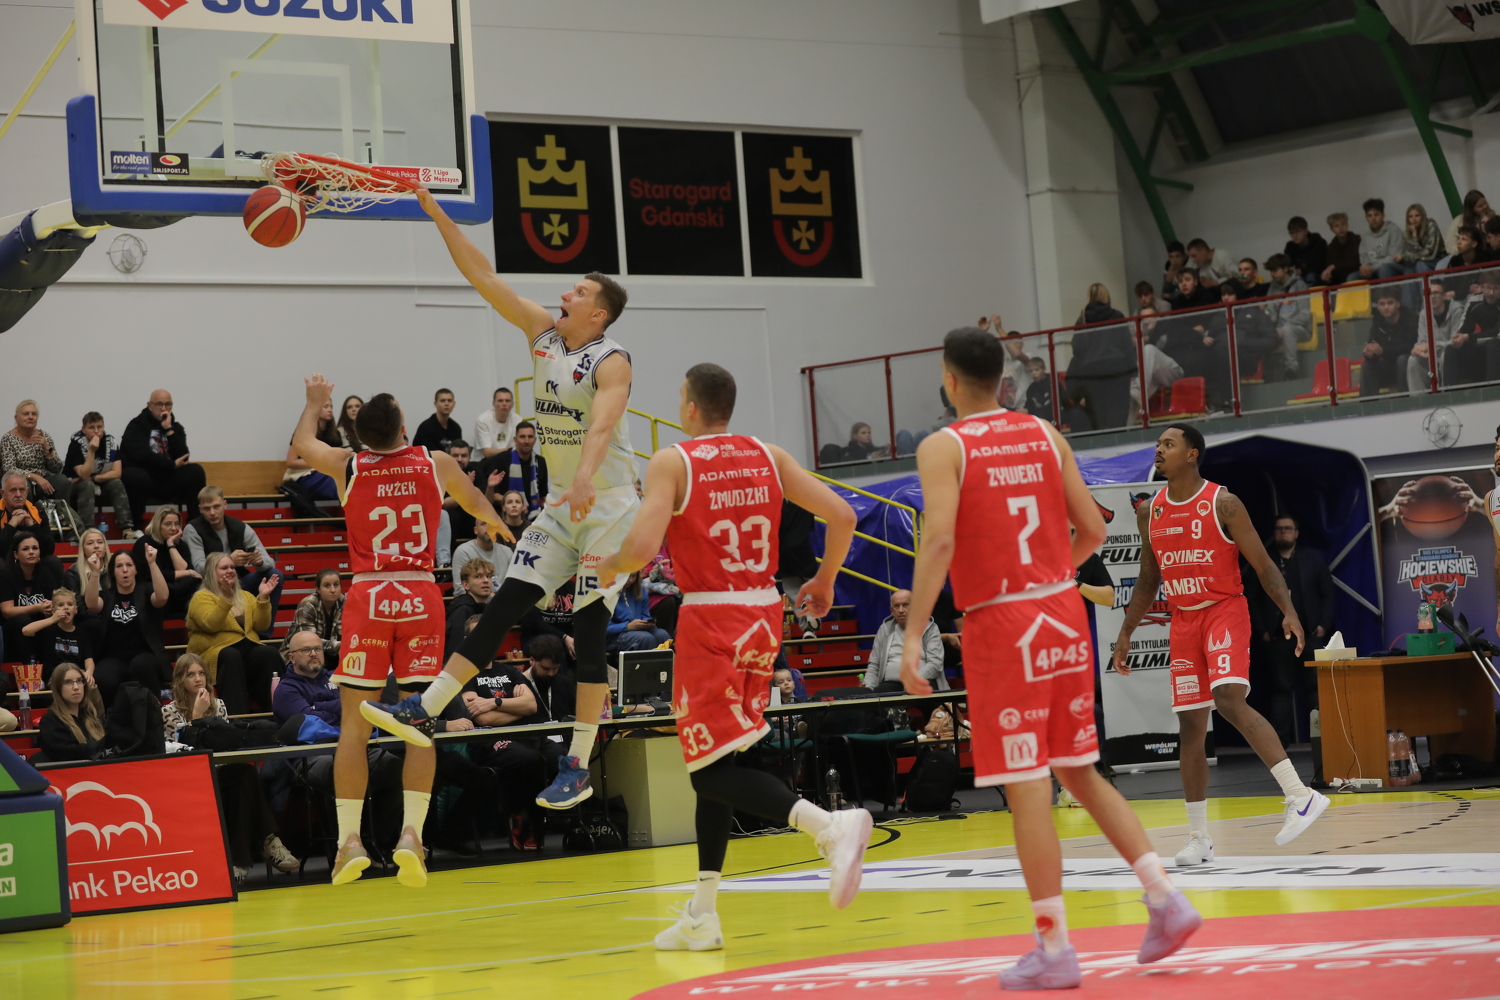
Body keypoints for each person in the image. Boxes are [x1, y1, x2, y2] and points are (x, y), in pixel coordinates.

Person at [902, 328, 1199, 988]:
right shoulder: (1044, 434)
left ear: (949, 379)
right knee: (1079, 771)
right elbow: (1093, 528)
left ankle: (1055, 946)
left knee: (1028, 783)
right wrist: (1047, 577)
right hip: (1061, 610)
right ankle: (1164, 897)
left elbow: (940, 540)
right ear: (1002, 380)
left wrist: (916, 633)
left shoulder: (943, 446)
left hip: (1002, 623)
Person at [365, 185, 641, 819]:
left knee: (588, 629)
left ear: (599, 313)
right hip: (563, 505)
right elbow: (482, 275)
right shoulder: (542, 334)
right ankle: (426, 708)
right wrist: (436, 213)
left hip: (608, 505)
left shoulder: (612, 359)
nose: (566, 293)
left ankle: (578, 763)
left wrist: (583, 478)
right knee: (504, 604)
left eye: (578, 291)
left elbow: (602, 424)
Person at [592, 362, 867, 950]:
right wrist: (823, 581)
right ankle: (703, 913)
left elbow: (642, 547)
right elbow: (844, 515)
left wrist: (608, 565)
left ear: (689, 407)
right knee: (717, 763)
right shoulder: (770, 455)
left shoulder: (673, 460)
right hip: (764, 615)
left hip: (712, 619)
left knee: (708, 769)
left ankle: (829, 826)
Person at [288, 374, 505, 888]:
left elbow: (302, 444)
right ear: (404, 425)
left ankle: (349, 841)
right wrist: (499, 523)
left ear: (360, 435)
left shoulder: (350, 464)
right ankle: (412, 835)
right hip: (420, 595)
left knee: (354, 726)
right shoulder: (435, 462)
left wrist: (315, 403)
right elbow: (475, 500)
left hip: (369, 595)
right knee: (418, 721)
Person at [1112, 424, 1328, 868]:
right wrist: (1127, 631)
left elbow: (1264, 565)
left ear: (1192, 454)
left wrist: (1288, 611)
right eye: (1158, 444)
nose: (1159, 450)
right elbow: (1149, 578)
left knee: (1228, 698)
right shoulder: (1149, 511)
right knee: (1191, 725)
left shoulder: (1223, 503)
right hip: (1183, 621)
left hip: (1223, 609)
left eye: (1168, 444)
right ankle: (1199, 837)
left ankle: (1299, 794)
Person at [272, 628, 408, 861]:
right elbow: (307, 725)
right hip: (311, 756)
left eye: (317, 648)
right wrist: (341, 709)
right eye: (306, 650)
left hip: (355, 747)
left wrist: (319, 709)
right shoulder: (286, 689)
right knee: (343, 772)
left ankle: (376, 841)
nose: (314, 654)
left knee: (396, 768)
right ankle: (347, 848)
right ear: (292, 656)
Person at [162, 653, 301, 879]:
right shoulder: (168, 712)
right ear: (180, 680)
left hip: (220, 772)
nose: (198, 679)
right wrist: (196, 716)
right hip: (190, 779)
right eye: (190, 675)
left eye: (201, 673)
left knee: (244, 776)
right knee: (243, 778)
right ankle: (268, 842)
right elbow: (183, 755)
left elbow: (225, 745)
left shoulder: (218, 705)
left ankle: (242, 861)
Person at [1251, 515, 1333, 747]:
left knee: (1316, 688)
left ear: (1296, 533)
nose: (1283, 532)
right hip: (1278, 637)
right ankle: (1280, 744)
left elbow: (1327, 593)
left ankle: (1323, 739)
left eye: (1287, 528)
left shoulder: (1312, 559)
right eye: (1279, 529)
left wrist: (1323, 625)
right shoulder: (1264, 561)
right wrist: (1263, 630)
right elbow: (1253, 598)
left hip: (1310, 634)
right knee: (1281, 689)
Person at [186, 552, 282, 715]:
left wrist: (263, 598)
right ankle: (238, 718)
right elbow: (211, 625)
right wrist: (226, 599)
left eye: (232, 567)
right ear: (212, 573)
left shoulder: (245, 596)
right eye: (224, 568)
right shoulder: (201, 597)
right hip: (214, 653)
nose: (230, 571)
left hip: (245, 650)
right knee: (231, 656)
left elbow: (261, 625)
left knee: (268, 653)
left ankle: (277, 712)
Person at [185, 486, 282, 638]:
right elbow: (199, 567)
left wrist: (259, 561)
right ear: (200, 509)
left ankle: (264, 635)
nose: (212, 512)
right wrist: (230, 561)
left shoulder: (240, 527)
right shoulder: (192, 529)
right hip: (208, 587)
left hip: (238, 583)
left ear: (225, 504)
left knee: (275, 575)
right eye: (207, 508)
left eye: (216, 506)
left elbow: (270, 562)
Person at [85, 548, 169, 707]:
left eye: (129, 565)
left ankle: (153, 712)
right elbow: (91, 604)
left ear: (136, 569)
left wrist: (152, 563)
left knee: (141, 666)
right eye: (119, 566)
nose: (124, 570)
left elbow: (163, 597)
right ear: (113, 571)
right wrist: (95, 572)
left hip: (145, 654)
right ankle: (112, 717)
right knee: (104, 677)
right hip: (113, 656)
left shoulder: (146, 592)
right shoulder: (108, 596)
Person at [119, 390, 207, 530]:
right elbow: (142, 456)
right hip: (144, 479)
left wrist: (169, 430)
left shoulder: (175, 428)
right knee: (135, 476)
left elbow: (183, 457)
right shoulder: (136, 426)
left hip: (166, 479)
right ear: (150, 405)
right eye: (159, 404)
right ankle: (135, 527)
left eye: (168, 404)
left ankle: (195, 526)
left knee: (195, 471)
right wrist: (171, 465)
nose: (164, 408)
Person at [1065, 284, 1135, 432]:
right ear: (1107, 296)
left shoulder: (1082, 319)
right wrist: (1132, 370)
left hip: (1092, 374)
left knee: (1098, 420)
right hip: (1118, 370)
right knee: (1118, 418)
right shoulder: (1117, 316)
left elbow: (1077, 349)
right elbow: (1127, 345)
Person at [65, 411, 136, 539]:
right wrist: (92, 450)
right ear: (83, 429)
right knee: (87, 485)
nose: (96, 431)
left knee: (116, 483)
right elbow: (84, 475)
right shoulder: (76, 444)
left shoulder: (111, 442)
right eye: (91, 428)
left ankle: (127, 528)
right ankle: (88, 531)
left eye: (99, 427)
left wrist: (95, 478)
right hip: (76, 485)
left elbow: (117, 473)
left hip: (99, 481)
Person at [862, 589, 945, 693]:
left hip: (922, 680)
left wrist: (913, 680)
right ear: (892, 610)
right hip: (891, 683)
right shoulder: (884, 630)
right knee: (879, 694)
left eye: (905, 605)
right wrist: (868, 689)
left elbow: (935, 664)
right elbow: (874, 664)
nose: (901, 610)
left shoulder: (930, 628)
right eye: (897, 606)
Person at [1, 531, 63, 664]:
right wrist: (37, 607)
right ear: (16, 554)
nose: (31, 552)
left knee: (52, 622)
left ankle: (51, 669)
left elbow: (54, 602)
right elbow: (7, 611)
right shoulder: (6, 575)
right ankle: (29, 667)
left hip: (39, 626)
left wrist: (49, 608)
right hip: (13, 629)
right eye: (25, 549)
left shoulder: (46, 574)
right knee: (23, 620)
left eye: (35, 548)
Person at [134, 504, 199, 615]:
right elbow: (149, 575)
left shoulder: (181, 545)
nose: (173, 528)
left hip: (176, 587)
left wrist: (171, 545)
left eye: (177, 523)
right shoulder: (144, 543)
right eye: (168, 524)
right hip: (153, 587)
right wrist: (189, 572)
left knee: (195, 584)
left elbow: (182, 569)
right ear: (158, 525)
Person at [21, 587, 93, 685]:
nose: (66, 607)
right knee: (67, 684)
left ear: (76, 610)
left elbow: (88, 659)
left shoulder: (82, 633)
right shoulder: (48, 630)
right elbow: (26, 631)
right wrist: (52, 619)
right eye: (61, 605)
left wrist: (89, 672)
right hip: (55, 676)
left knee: (91, 685)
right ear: (53, 610)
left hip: (77, 674)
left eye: (70, 604)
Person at [1, 400, 69, 502]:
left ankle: (62, 511)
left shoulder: (44, 436)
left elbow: (57, 469)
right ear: (16, 418)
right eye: (26, 414)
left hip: (44, 480)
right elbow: (9, 469)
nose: (30, 417)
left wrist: (47, 448)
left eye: (34, 414)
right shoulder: (8, 438)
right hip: (21, 480)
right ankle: (27, 512)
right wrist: (34, 477)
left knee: (62, 480)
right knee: (24, 486)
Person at [36, 663, 106, 762]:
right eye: (68, 682)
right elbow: (67, 753)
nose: (76, 687)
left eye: (79, 681)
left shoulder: (95, 717)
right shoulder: (50, 721)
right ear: (58, 687)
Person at [1409, 277, 1467, 392]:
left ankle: (1446, 395)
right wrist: (1418, 350)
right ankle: (1419, 399)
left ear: (1444, 296)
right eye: (1429, 293)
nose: (1432, 296)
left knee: (1446, 355)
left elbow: (1454, 342)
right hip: (1432, 355)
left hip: (1454, 355)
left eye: (1436, 293)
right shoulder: (1424, 314)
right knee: (1413, 360)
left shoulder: (1457, 310)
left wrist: (1430, 346)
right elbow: (1422, 340)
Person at [0, 472, 61, 578]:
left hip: (32, 564)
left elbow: (49, 549)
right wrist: (11, 525)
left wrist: (32, 526)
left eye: (22, 490)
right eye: (13, 490)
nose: (18, 495)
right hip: (6, 561)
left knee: (53, 561)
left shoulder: (38, 513)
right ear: (3, 493)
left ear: (27, 491)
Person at [480, 422, 548, 517]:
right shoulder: (501, 459)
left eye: (530, 437)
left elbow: (542, 495)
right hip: (504, 514)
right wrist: (516, 504)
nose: (526, 441)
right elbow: (493, 496)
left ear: (535, 440)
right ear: (515, 439)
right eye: (522, 437)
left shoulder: (540, 462)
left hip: (534, 514)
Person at [1360, 287, 1418, 395]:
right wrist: (1369, 353)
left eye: (1390, 303)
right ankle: (1368, 403)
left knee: (1403, 360)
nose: (1386, 307)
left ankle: (1405, 401)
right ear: (1378, 306)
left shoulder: (1410, 319)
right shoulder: (1377, 322)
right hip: (1387, 369)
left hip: (1408, 368)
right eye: (1382, 304)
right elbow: (1372, 343)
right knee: (1367, 365)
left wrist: (1383, 351)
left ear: (1398, 304)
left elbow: (1410, 347)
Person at [1444, 273, 1500, 385]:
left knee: (1493, 345)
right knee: (1451, 350)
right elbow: (1464, 330)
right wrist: (1459, 339)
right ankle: (1451, 392)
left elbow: (1496, 333)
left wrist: (1468, 337)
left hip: (1496, 347)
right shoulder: (1474, 301)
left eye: (1496, 288)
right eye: (1488, 288)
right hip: (1480, 349)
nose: (1491, 293)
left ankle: (1494, 390)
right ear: (1481, 287)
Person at [776, 499, 821, 637]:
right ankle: (809, 606)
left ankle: (807, 629)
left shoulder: (775, 501)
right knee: (812, 581)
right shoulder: (803, 499)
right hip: (802, 545)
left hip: (782, 549)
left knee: (792, 590)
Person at [284, 396, 342, 500]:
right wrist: (319, 463)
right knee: (334, 481)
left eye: (331, 407)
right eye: (325, 407)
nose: (330, 410)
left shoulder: (335, 434)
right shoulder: (302, 432)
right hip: (303, 475)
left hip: (326, 472)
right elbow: (291, 462)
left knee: (346, 478)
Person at [1264, 253, 1311, 380]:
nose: (1272, 274)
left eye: (1275, 270)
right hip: (1278, 330)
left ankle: (1291, 369)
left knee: (1287, 329)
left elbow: (1305, 315)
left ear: (1285, 268)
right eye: (1271, 271)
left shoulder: (1299, 285)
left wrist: (1284, 326)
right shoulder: (1272, 288)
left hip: (1300, 330)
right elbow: (1271, 312)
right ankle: (1263, 373)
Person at [605, 571, 671, 656]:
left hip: (637, 630)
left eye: (633, 576)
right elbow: (604, 628)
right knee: (645, 638)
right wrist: (627, 626)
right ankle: (647, 665)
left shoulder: (640, 590)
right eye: (627, 576)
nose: (630, 580)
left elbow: (645, 615)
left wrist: (647, 622)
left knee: (662, 635)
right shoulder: (606, 593)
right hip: (614, 636)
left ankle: (663, 664)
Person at [63, 526, 108, 649]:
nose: (96, 546)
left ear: (105, 547)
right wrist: (106, 619)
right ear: (83, 548)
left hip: (110, 617)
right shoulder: (72, 574)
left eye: (100, 542)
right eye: (90, 543)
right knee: (96, 624)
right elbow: (79, 610)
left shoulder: (113, 570)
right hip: (86, 621)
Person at [288, 567, 344, 659]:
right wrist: (343, 645)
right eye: (327, 586)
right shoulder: (307, 605)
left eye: (336, 585)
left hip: (335, 654)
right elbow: (309, 643)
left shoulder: (346, 603)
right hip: (303, 655)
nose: (333, 590)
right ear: (318, 589)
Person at [445, 558, 494, 653]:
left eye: (489, 576)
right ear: (466, 585)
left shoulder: (484, 608)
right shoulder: (463, 610)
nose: (486, 580)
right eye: (478, 576)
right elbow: (456, 650)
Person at [1353, 198, 1403, 281]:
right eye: (1370, 216)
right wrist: (1366, 269)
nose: (1373, 218)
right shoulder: (1365, 236)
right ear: (1366, 218)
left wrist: (1373, 268)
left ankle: (1387, 291)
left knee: (1384, 269)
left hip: (1391, 267)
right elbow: (1363, 257)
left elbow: (1393, 257)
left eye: (1376, 215)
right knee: (1352, 277)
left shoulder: (1393, 230)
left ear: (1383, 215)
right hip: (1372, 269)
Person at [449, 514, 512, 580]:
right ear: (476, 530)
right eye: (483, 524)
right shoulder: (463, 552)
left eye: (492, 524)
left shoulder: (507, 552)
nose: (489, 528)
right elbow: (460, 584)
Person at [475, 387, 520, 458]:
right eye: (500, 401)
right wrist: (511, 450)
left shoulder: (518, 420)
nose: (504, 404)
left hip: (508, 459)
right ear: (493, 403)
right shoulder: (483, 420)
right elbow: (487, 453)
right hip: (484, 461)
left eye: (507, 401)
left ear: (512, 404)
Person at [411, 388, 461, 453]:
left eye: (449, 400)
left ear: (454, 404)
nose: (446, 403)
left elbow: (458, 451)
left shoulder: (456, 428)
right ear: (435, 403)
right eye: (443, 401)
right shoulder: (426, 428)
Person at [1283, 216, 1328, 286]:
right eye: (1292, 233)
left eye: (1298, 232)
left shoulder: (1318, 242)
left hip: (1319, 275)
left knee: (1310, 276)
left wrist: (1301, 270)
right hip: (1299, 277)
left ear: (1306, 231)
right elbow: (1286, 264)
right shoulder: (1290, 246)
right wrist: (1290, 269)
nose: (1295, 235)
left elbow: (1321, 264)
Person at [1402, 203, 1446, 272]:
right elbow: (1406, 255)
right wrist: (1414, 234)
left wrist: (1414, 237)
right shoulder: (1406, 233)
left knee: (1419, 264)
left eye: (1417, 216)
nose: (1414, 219)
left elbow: (1429, 253)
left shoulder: (1431, 226)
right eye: (1410, 217)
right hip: (1418, 261)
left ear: (1423, 217)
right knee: (1408, 269)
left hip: (1437, 260)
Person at [1321, 212, 1361, 286]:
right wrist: (1327, 275)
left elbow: (1356, 262)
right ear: (1332, 229)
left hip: (1357, 272)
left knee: (1350, 277)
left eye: (1343, 224)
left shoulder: (1356, 240)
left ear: (1347, 225)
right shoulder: (1331, 247)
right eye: (1336, 226)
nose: (1340, 228)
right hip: (1340, 276)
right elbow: (1330, 266)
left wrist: (1334, 266)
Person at [1161, 240, 1189, 306]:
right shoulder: (1168, 268)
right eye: (1171, 257)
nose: (1174, 260)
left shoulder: (1191, 267)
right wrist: (1168, 281)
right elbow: (1165, 291)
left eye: (1178, 256)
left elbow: (1188, 289)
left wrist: (1170, 296)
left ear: (1184, 257)